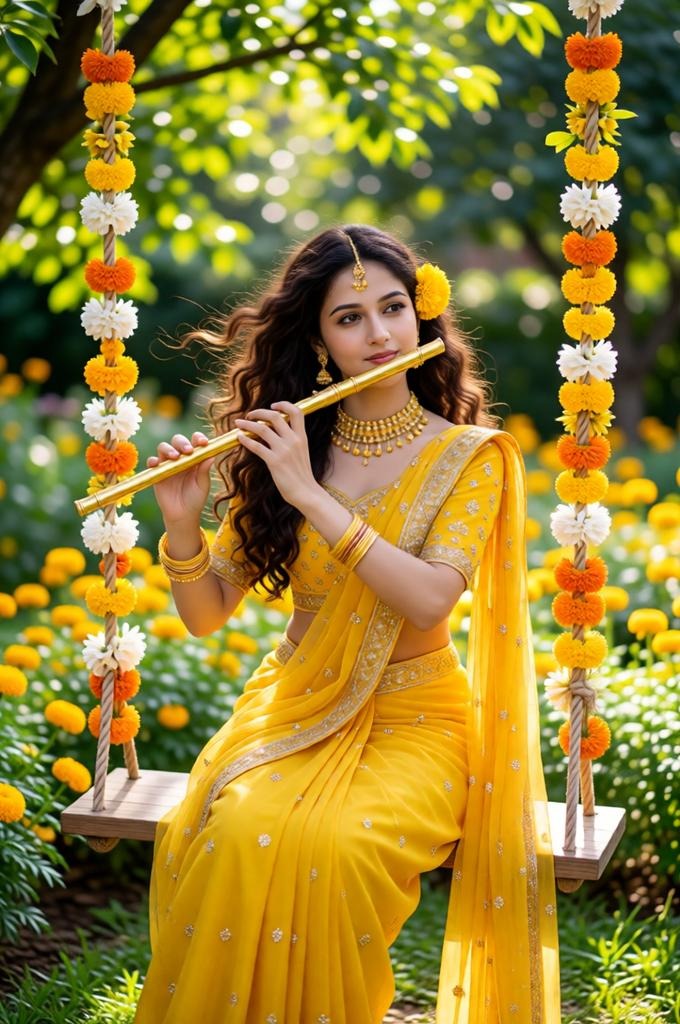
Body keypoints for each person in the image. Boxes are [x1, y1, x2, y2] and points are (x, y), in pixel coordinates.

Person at [133, 225, 560, 1024]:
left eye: (394, 308)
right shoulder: (292, 445)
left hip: (418, 722)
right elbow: (204, 616)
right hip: (294, 707)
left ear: (423, 318)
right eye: (350, 317)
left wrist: (311, 496)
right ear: (320, 340)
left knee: (334, 849)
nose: (381, 333)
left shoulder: (470, 457)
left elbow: (432, 599)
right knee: (240, 828)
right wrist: (183, 525)